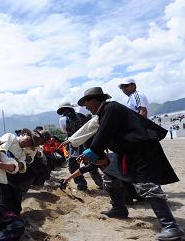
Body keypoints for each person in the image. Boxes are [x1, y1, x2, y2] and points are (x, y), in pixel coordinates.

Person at [77, 87, 184, 240]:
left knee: (146, 185)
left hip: (142, 149)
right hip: (127, 151)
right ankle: (119, 208)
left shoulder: (110, 108)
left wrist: (91, 153)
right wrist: (93, 153)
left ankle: (171, 226)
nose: (86, 107)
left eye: (86, 103)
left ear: (94, 100)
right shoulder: (105, 111)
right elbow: (102, 136)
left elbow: (103, 134)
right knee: (110, 175)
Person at [57, 102, 103, 190]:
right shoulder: (81, 115)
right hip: (86, 142)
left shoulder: (62, 120)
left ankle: (81, 184)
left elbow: (63, 131)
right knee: (90, 163)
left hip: (72, 143)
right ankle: (100, 183)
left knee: (73, 164)